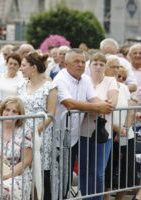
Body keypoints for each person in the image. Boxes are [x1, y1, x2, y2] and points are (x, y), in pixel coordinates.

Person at [53, 49, 114, 198]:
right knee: (57, 178)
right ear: (66, 64)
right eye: (76, 61)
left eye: (82, 61)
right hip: (56, 137)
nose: (80, 64)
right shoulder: (60, 79)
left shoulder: (85, 78)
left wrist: (104, 105)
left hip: (73, 137)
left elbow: (93, 98)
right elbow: (70, 103)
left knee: (67, 178)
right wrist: (97, 107)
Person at [18, 51, 57, 200]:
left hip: (41, 135)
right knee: (24, 171)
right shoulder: (21, 85)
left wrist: (35, 131)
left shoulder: (50, 87)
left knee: (39, 173)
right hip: (21, 133)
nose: (21, 69)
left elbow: (51, 114)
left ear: (33, 68)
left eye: (23, 65)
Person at [80, 52, 118, 200]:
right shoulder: (84, 80)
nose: (98, 66)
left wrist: (89, 107)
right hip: (83, 131)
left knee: (98, 172)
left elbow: (112, 103)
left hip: (103, 132)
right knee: (84, 170)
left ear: (105, 67)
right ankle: (85, 198)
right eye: (95, 63)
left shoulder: (110, 81)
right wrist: (98, 107)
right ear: (89, 66)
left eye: (101, 64)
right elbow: (78, 101)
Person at [104, 55, 136, 200]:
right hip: (108, 134)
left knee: (126, 171)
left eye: (118, 67)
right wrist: (117, 129)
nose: (116, 70)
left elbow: (130, 110)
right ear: (105, 68)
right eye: (113, 66)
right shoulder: (102, 86)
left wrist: (124, 129)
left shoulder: (123, 87)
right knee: (107, 171)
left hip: (126, 134)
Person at [0, 97, 33, 200]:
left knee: (4, 188)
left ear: (19, 115)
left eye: (14, 111)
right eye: (7, 110)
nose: (10, 114)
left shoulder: (25, 132)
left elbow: (26, 161)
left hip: (17, 174)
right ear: (2, 110)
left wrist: (7, 175)